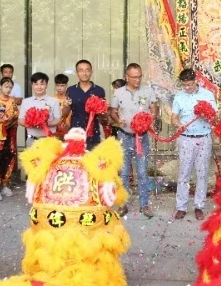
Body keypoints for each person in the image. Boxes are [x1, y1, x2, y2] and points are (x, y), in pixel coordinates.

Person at [110, 63, 158, 218]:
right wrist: (118, 120)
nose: (138, 80)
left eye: (140, 76)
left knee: (142, 172)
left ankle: (144, 205)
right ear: (127, 77)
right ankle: (123, 204)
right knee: (123, 173)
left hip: (142, 137)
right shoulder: (118, 93)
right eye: (134, 77)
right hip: (125, 136)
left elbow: (154, 107)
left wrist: (151, 117)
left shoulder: (148, 90)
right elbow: (112, 111)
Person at [171, 68, 217, 221]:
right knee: (184, 174)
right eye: (185, 85)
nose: (187, 88)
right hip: (186, 139)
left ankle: (199, 206)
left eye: (190, 84)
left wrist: (207, 115)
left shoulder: (207, 95)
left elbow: (215, 117)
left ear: (196, 81)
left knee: (202, 173)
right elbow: (174, 117)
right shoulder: (179, 97)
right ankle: (181, 207)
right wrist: (178, 125)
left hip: (203, 137)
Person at [18, 72, 66, 147]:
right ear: (32, 85)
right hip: (32, 141)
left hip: (49, 140)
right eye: (36, 84)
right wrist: (32, 123)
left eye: (42, 84)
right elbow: (20, 120)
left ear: (46, 85)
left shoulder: (54, 101)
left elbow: (58, 120)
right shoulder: (25, 102)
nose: (39, 87)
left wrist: (44, 124)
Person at [67, 60, 107, 150]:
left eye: (87, 70)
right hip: (75, 133)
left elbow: (102, 116)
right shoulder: (71, 90)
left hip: (94, 134)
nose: (84, 73)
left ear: (91, 72)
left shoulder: (99, 90)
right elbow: (66, 112)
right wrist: (65, 106)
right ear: (76, 73)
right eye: (81, 70)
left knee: (92, 162)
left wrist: (102, 112)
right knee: (76, 163)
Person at [53, 73, 72, 139]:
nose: (59, 88)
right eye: (58, 85)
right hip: (55, 131)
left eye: (62, 86)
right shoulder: (52, 99)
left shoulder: (70, 99)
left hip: (69, 131)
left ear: (66, 85)